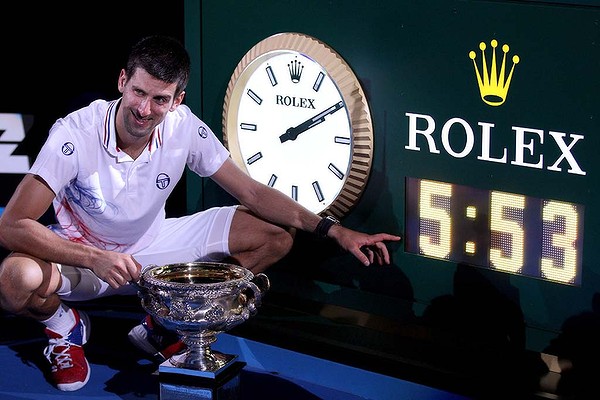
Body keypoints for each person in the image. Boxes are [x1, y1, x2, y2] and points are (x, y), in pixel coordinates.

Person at [0, 35, 401, 392]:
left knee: (274, 235)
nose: (144, 109)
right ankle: (64, 326)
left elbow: (251, 192)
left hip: (152, 249)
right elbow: (12, 225)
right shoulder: (74, 134)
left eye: (160, 99)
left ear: (178, 101)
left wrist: (333, 230)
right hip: (83, 257)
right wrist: (94, 257)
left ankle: (164, 325)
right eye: (138, 92)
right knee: (15, 279)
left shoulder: (183, 127)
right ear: (122, 81)